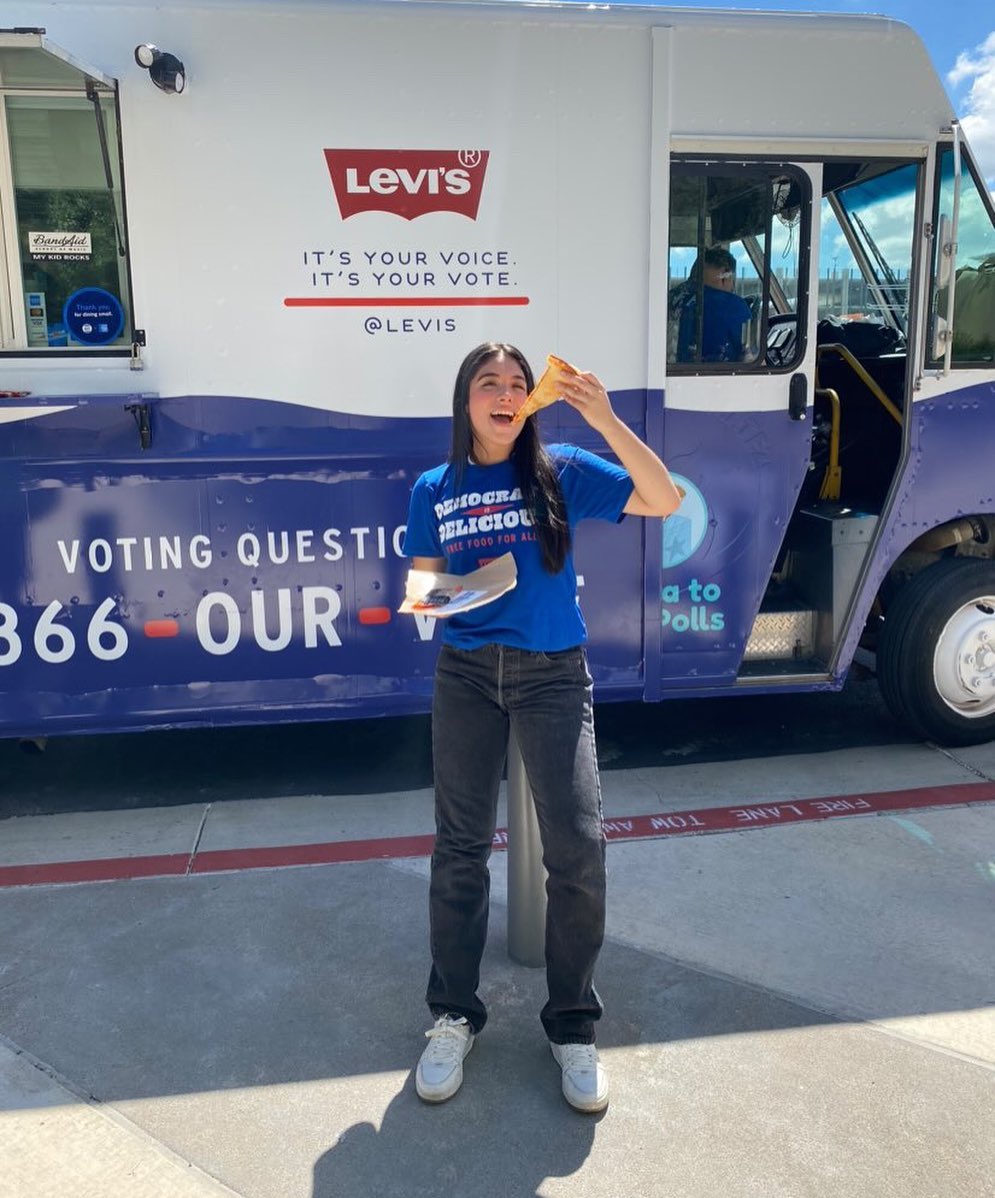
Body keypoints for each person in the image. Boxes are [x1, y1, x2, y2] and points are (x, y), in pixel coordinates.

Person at [401, 342, 682, 1113]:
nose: (503, 392)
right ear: (464, 401)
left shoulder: (560, 469)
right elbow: (423, 595)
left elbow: (662, 499)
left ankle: (572, 1027)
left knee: (577, 848)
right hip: (465, 675)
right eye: (487, 382)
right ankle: (453, 1016)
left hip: (553, 674)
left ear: (529, 401)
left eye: (516, 383)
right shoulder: (434, 487)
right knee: (459, 850)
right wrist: (485, 583)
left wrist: (607, 419)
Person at [674, 246, 753, 363]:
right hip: (717, 373)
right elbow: (750, 357)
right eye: (733, 279)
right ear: (725, 277)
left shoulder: (676, 298)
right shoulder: (735, 306)